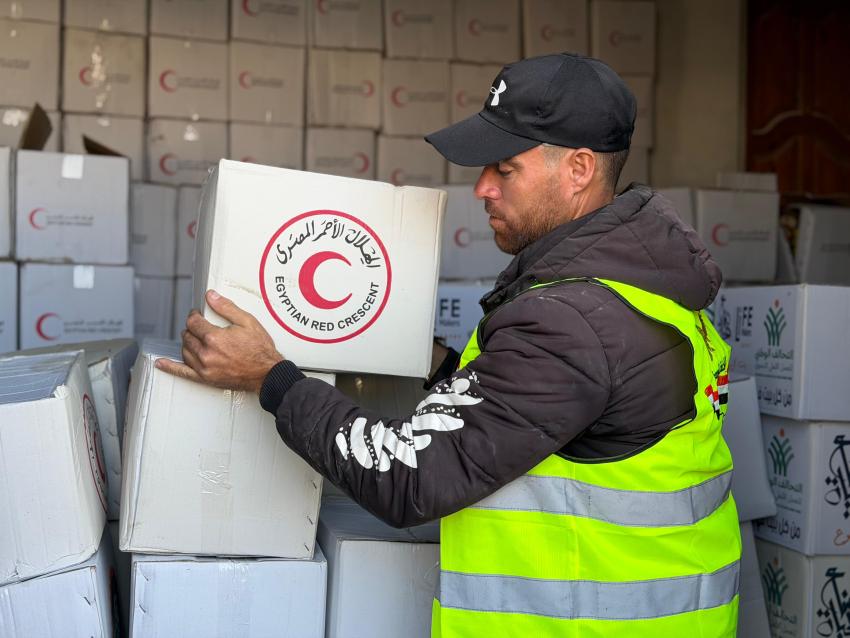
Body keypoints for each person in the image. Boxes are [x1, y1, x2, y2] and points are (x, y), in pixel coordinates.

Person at [159, 53, 741, 637]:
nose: (482, 187)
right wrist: (410, 352)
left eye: (505, 169)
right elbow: (527, 414)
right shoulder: (637, 292)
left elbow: (409, 478)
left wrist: (271, 378)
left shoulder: (573, 320)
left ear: (579, 169)